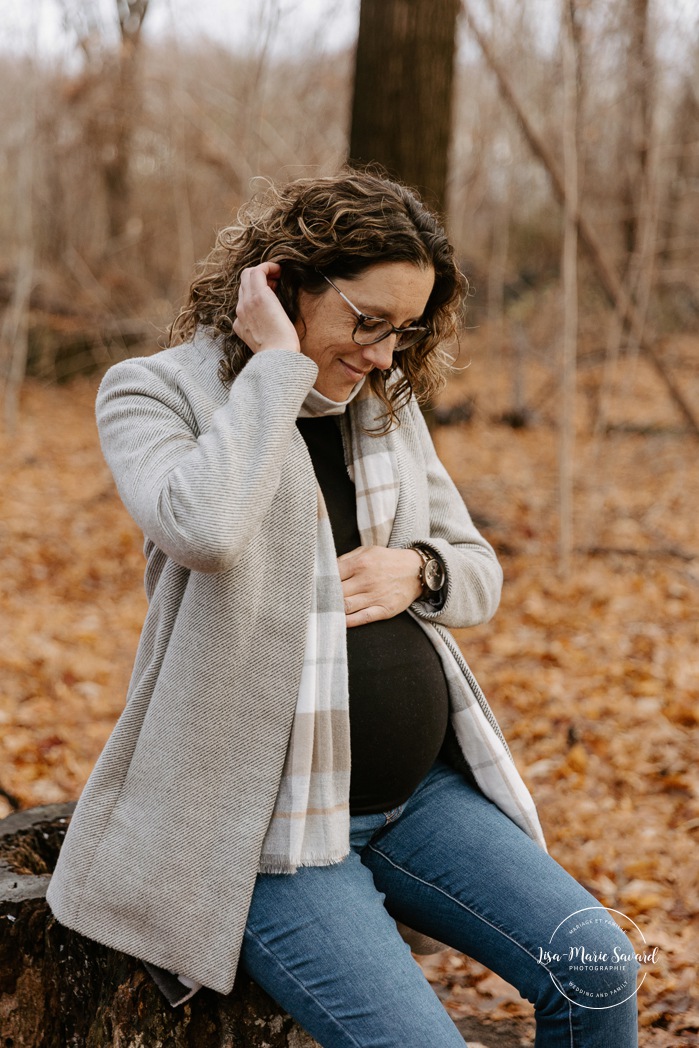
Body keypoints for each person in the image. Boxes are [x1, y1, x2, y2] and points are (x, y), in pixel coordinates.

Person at [47, 170, 639, 1047]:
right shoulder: (155, 391)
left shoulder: (382, 409)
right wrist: (277, 366)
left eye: (404, 331)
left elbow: (478, 571)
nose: (383, 355)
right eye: (368, 322)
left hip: (419, 799)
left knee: (598, 970)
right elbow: (202, 528)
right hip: (275, 832)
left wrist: (419, 569)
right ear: (283, 286)